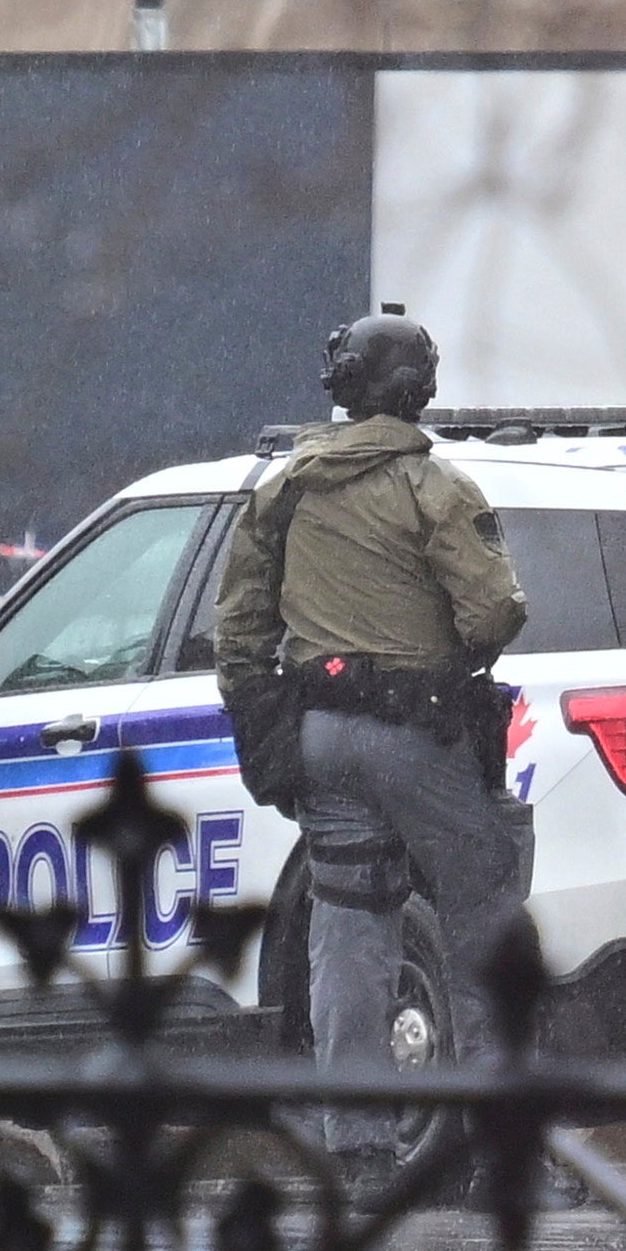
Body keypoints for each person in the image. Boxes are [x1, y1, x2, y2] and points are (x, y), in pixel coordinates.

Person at [213, 305, 530, 1174]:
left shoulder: (287, 485)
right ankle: (502, 1148)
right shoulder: (437, 490)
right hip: (421, 741)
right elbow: (495, 611)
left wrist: (264, 719)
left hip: (321, 737)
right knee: (481, 918)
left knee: (349, 936)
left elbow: (238, 625)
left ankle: (356, 1151)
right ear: (417, 389)